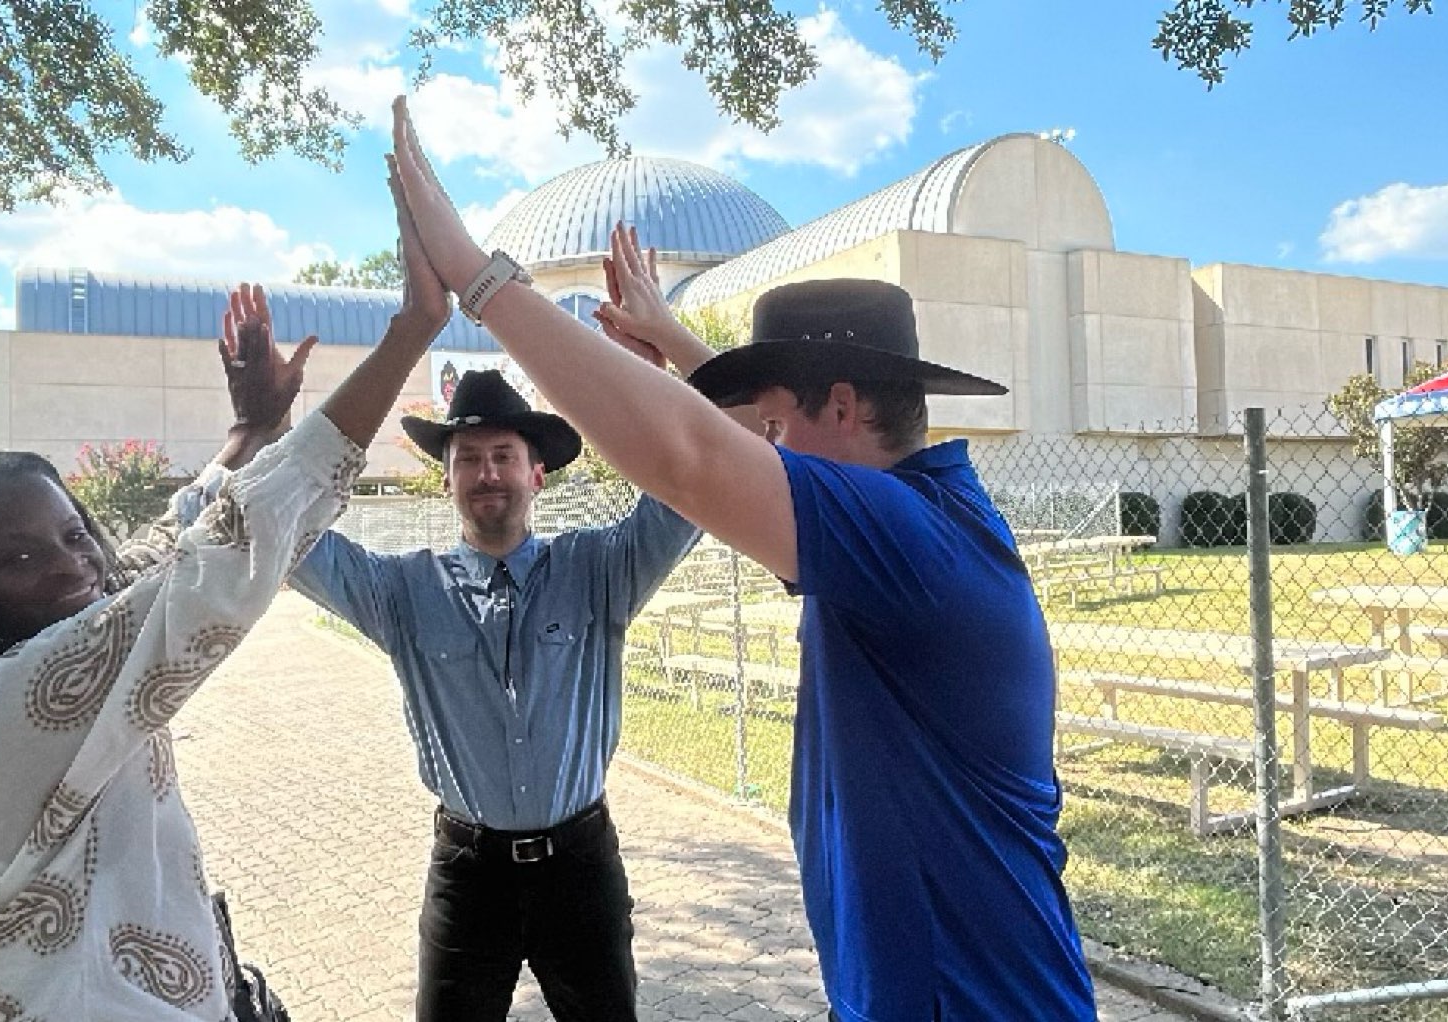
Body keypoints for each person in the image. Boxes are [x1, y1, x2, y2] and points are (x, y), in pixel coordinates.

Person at [386, 97, 1099, 1020]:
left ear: (842, 410)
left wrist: (476, 278)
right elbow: (730, 447)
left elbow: (693, 459)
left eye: (775, 426)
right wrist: (682, 350)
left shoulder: (905, 539)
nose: (764, 449)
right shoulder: (912, 526)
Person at [0, 173, 449, 1021]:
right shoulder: (15, 695)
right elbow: (209, 572)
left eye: (73, 532)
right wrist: (411, 331)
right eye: (19, 556)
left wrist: (251, 429)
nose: (73, 564)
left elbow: (157, 554)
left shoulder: (54, 646)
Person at [287, 322, 700, 1016]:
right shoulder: (400, 592)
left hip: (579, 869)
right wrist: (274, 428)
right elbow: (279, 532)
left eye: (504, 455)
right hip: (468, 876)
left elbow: (691, 484)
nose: (487, 474)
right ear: (445, 477)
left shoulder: (601, 570)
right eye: (468, 457)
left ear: (536, 473)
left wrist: (649, 385)